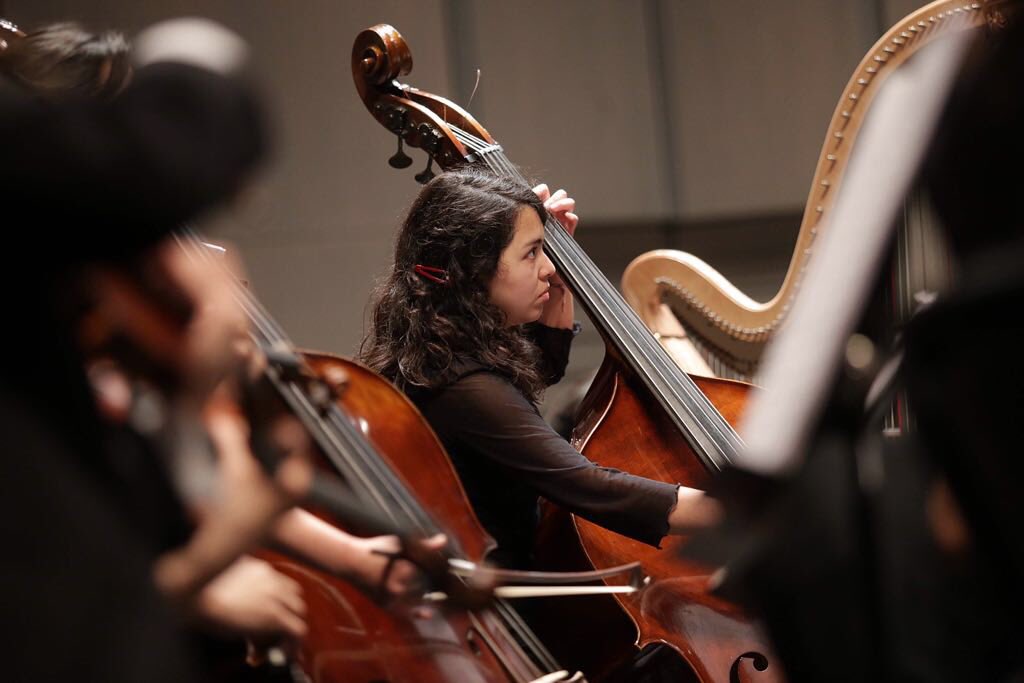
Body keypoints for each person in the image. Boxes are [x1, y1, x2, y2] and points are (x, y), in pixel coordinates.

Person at [361, 168, 719, 570]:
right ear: (472, 271)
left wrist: (562, 269)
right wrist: (738, 511)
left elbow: (540, 366)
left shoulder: (442, 352)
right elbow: (586, 485)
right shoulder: (464, 389)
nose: (548, 267)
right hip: (497, 611)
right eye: (532, 253)